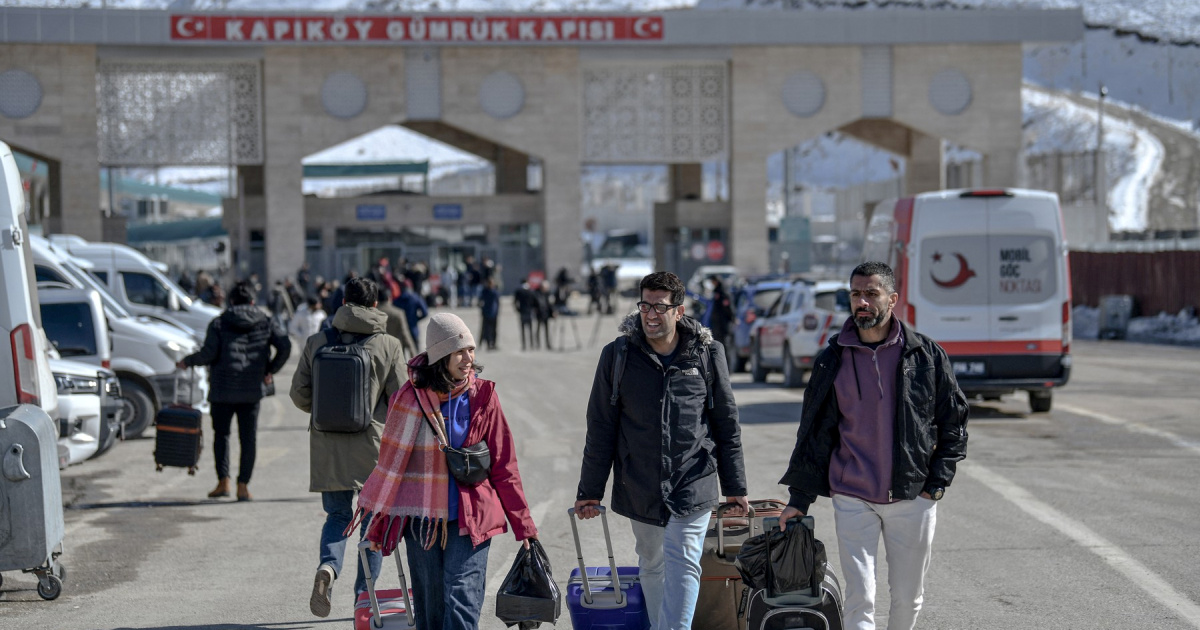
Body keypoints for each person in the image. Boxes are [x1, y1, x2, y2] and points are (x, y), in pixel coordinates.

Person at [777, 261, 969, 630]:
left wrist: (937, 484)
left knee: (908, 596)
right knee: (860, 596)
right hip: (853, 496)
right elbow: (815, 435)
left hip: (912, 496)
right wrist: (798, 500)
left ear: (892, 299)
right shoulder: (832, 359)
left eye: (870, 293)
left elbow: (954, 421)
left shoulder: (925, 356)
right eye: (855, 294)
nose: (861, 302)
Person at [576, 271, 748, 630]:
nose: (650, 314)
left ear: (679, 310)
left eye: (659, 306)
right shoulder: (618, 356)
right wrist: (589, 491)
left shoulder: (706, 353)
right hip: (640, 481)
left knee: (684, 560)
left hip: (693, 478)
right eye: (644, 305)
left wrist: (735, 486)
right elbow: (601, 428)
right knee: (652, 562)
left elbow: (725, 423)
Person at [354, 313, 539, 630]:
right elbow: (390, 468)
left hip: (472, 518)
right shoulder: (407, 400)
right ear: (440, 356)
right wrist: (378, 524)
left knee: (461, 601)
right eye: (459, 351)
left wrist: (524, 526)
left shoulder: (482, 397)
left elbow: (504, 465)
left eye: (471, 350)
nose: (468, 359)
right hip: (421, 522)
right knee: (431, 613)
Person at [289, 277, 408, 618]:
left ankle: (328, 567)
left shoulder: (317, 341)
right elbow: (401, 400)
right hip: (374, 447)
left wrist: (325, 411)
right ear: (375, 306)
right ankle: (363, 596)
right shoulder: (388, 345)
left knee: (338, 515)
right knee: (373, 521)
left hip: (328, 446)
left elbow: (299, 394)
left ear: (342, 301)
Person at [177, 280, 291, 501]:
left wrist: (187, 361)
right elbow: (285, 345)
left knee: (222, 436)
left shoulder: (219, 323)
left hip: (222, 389)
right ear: (252, 301)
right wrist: (270, 369)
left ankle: (223, 482)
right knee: (248, 439)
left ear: (230, 302)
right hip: (252, 389)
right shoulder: (265, 322)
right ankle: (243, 486)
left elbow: (208, 354)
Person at [377, 286, 419, 361]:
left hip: (378, 353)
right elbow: (405, 334)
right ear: (389, 298)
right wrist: (413, 354)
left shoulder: (373, 313)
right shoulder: (398, 313)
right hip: (396, 353)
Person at [393, 281, 429, 351]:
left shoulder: (397, 299)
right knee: (415, 351)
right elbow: (425, 312)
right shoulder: (415, 297)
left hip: (401, 329)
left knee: (400, 352)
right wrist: (416, 319)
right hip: (413, 327)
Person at [707, 276, 735, 348]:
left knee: (722, 341)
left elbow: (727, 307)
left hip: (721, 322)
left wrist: (732, 318)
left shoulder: (722, 292)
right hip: (717, 321)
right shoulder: (716, 291)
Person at [513, 278, 538, 351]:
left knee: (523, 329)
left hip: (523, 311)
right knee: (529, 329)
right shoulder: (530, 291)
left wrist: (518, 310)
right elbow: (535, 302)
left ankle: (525, 345)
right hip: (528, 311)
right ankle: (531, 344)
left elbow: (515, 302)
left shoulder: (519, 291)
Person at [478, 278, 500, 351]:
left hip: (493, 313)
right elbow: (480, 301)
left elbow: (497, 303)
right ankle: (486, 344)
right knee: (486, 329)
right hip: (486, 313)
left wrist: (497, 312)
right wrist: (483, 310)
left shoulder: (495, 292)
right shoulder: (485, 291)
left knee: (494, 330)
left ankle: (493, 344)